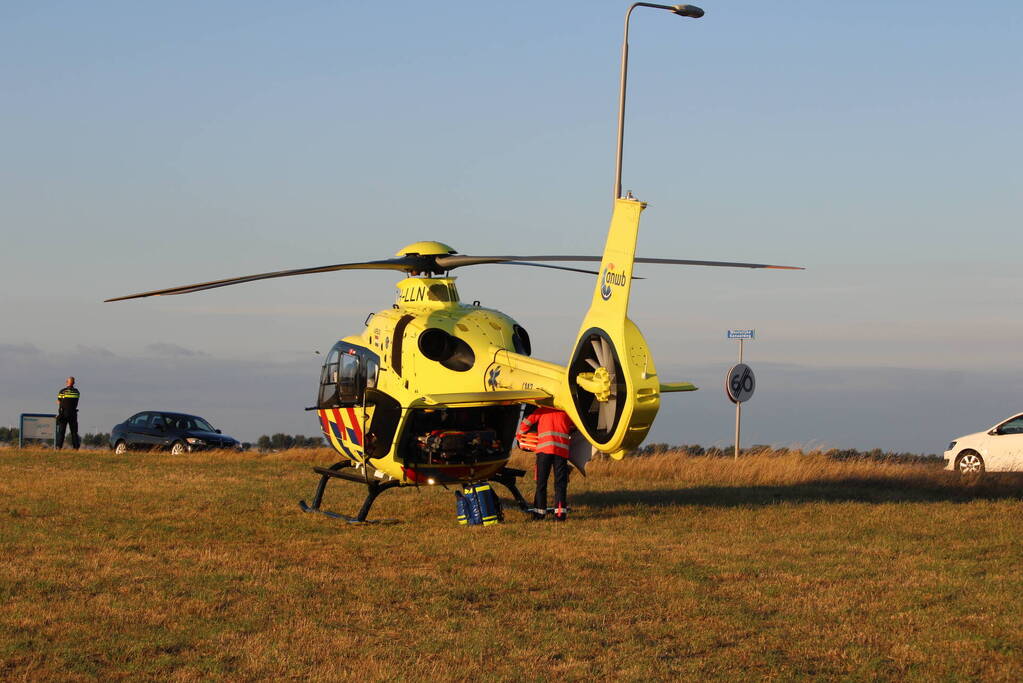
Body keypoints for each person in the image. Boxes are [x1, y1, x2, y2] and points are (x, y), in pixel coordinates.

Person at [517, 406, 575, 521]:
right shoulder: (566, 411)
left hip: (544, 451)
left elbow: (527, 422)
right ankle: (560, 514)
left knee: (541, 484)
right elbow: (574, 426)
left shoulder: (542, 410)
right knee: (560, 484)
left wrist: (519, 435)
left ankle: (539, 514)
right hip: (561, 452)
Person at [55, 376, 81, 450]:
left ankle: (59, 447)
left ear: (67, 382)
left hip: (64, 414)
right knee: (74, 432)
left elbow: (59, 401)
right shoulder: (77, 392)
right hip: (73, 413)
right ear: (74, 383)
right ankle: (76, 448)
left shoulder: (63, 391)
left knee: (62, 432)